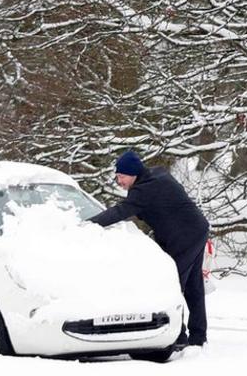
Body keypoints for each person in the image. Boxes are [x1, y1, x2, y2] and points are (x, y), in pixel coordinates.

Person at [87, 149, 210, 348]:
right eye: (117, 176)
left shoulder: (145, 189)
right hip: (197, 230)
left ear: (134, 172)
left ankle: (178, 336)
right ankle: (197, 337)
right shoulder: (157, 175)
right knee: (193, 287)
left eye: (122, 176)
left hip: (184, 237)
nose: (119, 181)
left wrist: (89, 224)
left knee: (172, 284)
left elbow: (120, 211)